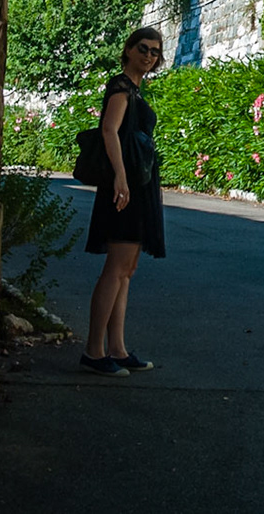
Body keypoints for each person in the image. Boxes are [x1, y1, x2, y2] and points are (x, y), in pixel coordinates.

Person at [80, 26, 167, 376]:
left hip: (137, 184)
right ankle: (93, 351)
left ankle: (116, 348)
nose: (149, 56)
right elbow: (108, 130)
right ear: (129, 49)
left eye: (155, 52)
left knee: (127, 271)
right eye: (143, 48)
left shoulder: (136, 89)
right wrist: (120, 177)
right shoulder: (120, 87)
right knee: (116, 268)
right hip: (125, 185)